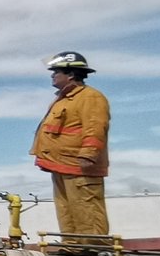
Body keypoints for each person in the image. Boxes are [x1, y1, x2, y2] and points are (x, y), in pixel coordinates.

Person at [31, 51, 112, 237]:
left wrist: (88, 154)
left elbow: (96, 127)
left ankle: (93, 246)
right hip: (62, 164)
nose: (52, 75)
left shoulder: (90, 97)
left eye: (56, 71)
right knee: (66, 207)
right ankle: (73, 244)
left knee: (86, 206)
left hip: (79, 164)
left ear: (71, 75)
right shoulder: (64, 99)